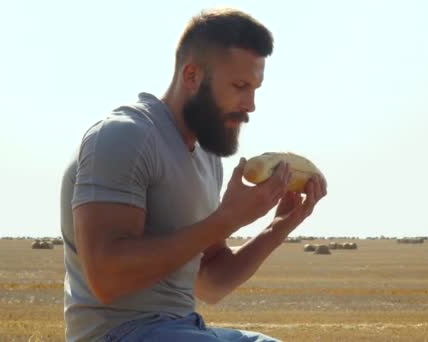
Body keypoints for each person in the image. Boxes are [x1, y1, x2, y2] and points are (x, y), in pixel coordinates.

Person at [60, 7, 327, 342]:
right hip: (118, 333)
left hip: (185, 327)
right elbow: (105, 279)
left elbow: (212, 283)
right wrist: (228, 219)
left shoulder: (207, 156)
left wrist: (278, 227)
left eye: (255, 88)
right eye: (240, 86)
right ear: (191, 76)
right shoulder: (125, 137)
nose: (250, 104)